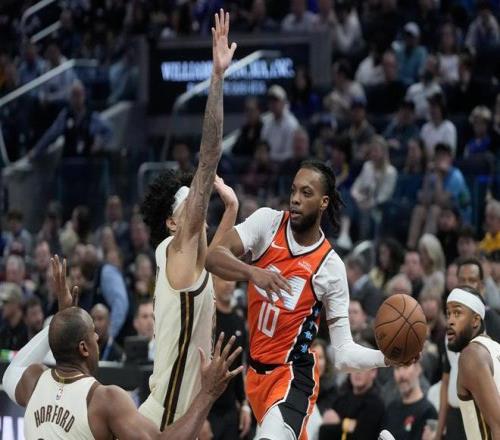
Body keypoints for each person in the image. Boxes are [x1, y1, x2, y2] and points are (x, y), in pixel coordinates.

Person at [206, 160, 407, 440]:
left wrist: (387, 358)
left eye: (306, 193)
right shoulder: (268, 223)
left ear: (324, 202)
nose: (296, 199)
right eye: (293, 190)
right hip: (256, 376)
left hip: (293, 377)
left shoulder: (330, 267)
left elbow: (344, 354)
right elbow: (213, 257)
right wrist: (253, 272)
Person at [2, 256, 244, 440]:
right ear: (84, 348)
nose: (97, 337)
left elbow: (12, 370)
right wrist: (207, 393)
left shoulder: (34, 381)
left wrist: (61, 319)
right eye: (93, 333)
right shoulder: (105, 400)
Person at [139, 10, 238, 430]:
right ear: (172, 224)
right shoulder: (178, 249)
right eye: (188, 203)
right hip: (163, 422)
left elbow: (220, 263)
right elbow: (209, 156)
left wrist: (231, 209)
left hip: (183, 417)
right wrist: (217, 78)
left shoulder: (193, 260)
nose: (197, 205)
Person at [446, 286, 500, 438]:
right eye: (448, 314)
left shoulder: (471, 355)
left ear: (475, 320)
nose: (450, 321)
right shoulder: (495, 348)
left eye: (457, 313)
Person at [208, 276, 251, 440]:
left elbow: (240, 367)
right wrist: (200, 418)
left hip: (231, 409)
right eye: (223, 278)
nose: (228, 283)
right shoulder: (206, 319)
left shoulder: (239, 321)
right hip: (207, 409)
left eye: (231, 278)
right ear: (213, 280)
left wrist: (245, 405)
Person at [382, 362, 438, 440]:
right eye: (397, 368)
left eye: (405, 367)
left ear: (418, 369)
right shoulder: (391, 408)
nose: (401, 374)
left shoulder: (428, 411)